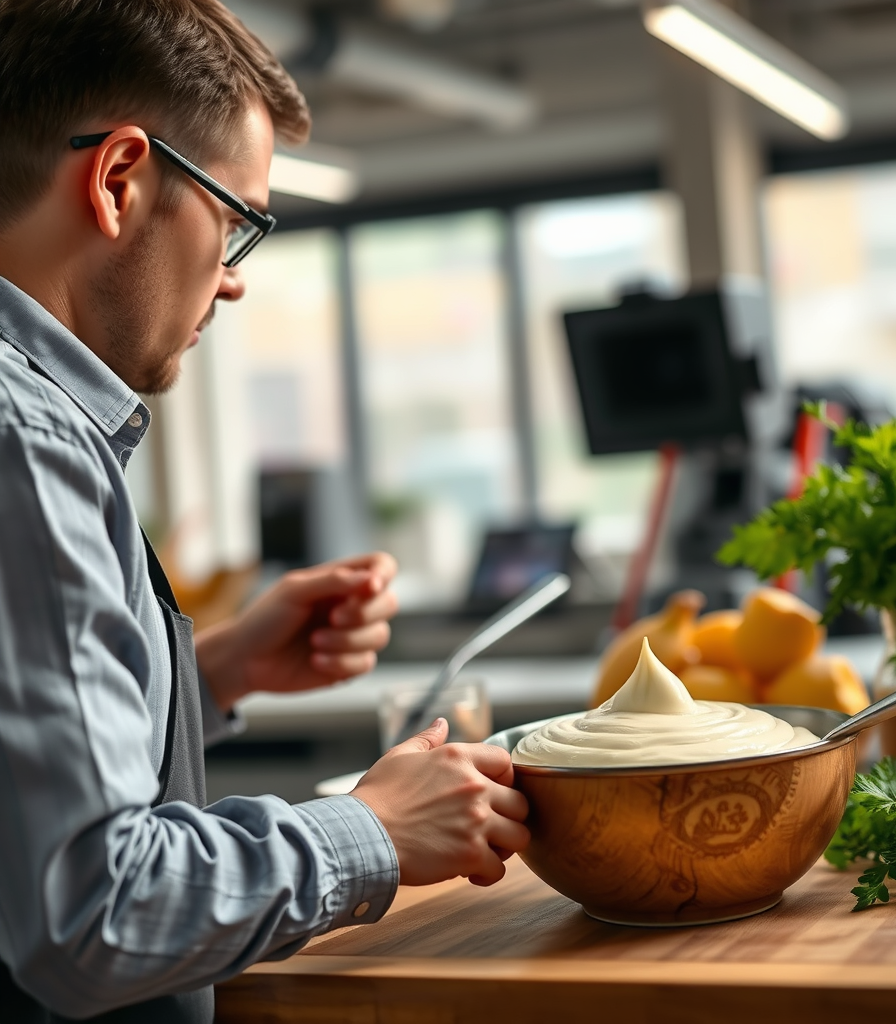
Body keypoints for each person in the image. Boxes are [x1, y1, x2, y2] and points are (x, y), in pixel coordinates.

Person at [0, 1, 530, 1020]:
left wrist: (217, 669)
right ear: (119, 181)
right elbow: (89, 911)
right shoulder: (29, 439)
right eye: (236, 220)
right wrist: (372, 829)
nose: (234, 283)